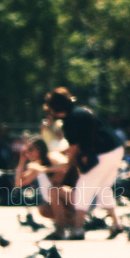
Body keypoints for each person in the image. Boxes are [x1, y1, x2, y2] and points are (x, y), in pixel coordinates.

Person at [42, 87, 124, 240]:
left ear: (54, 109)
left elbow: (74, 147)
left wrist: (67, 163)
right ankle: (116, 224)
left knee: (83, 187)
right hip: (116, 149)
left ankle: (78, 229)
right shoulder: (83, 111)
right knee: (103, 187)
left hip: (102, 155)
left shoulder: (69, 121)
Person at [14, 136, 71, 223]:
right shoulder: (35, 166)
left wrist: (44, 169)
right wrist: (21, 161)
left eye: (31, 149)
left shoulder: (52, 155)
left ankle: (61, 230)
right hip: (58, 199)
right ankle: (74, 223)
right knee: (43, 210)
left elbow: (67, 165)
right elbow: (19, 183)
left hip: (75, 195)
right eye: (26, 150)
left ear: (40, 149)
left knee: (53, 191)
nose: (28, 153)